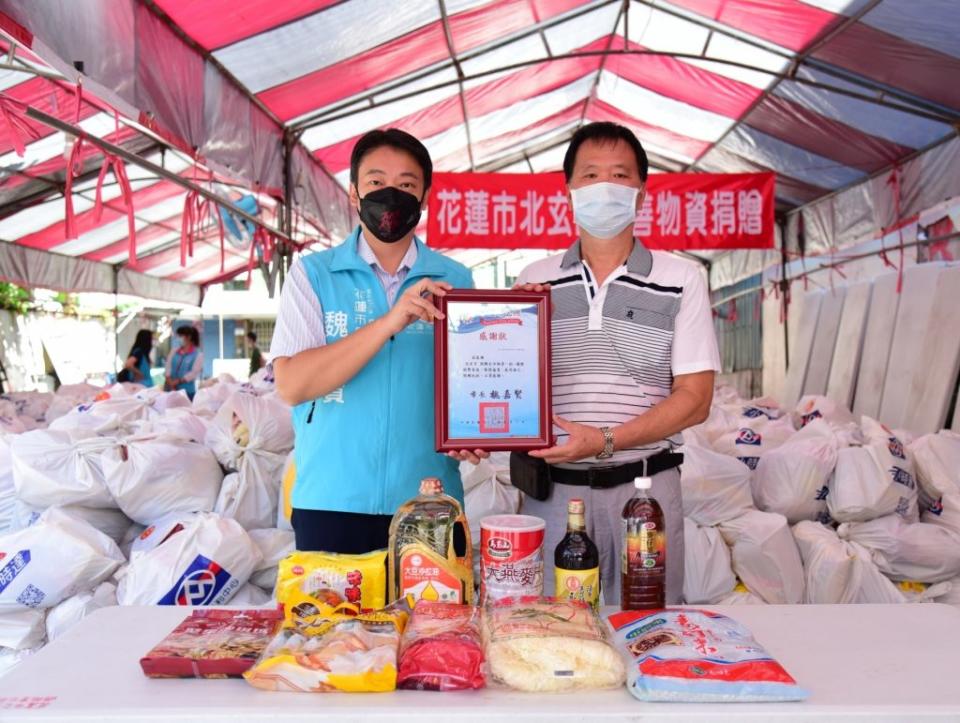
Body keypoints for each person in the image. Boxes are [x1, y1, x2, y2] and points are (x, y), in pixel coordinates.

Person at [509, 122, 719, 606]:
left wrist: (604, 440)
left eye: (620, 175)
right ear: (569, 192)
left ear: (641, 194)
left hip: (646, 492)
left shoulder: (681, 277)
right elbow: (505, 386)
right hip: (553, 493)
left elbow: (695, 400)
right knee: (553, 633)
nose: (604, 187)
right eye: (590, 175)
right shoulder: (532, 283)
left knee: (651, 630)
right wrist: (511, 321)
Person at [271, 128, 475, 555]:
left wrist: (480, 432)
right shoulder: (313, 275)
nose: (391, 195)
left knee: (435, 624)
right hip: (331, 500)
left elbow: (472, 386)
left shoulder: (456, 282)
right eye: (377, 182)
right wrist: (389, 322)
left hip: (429, 500)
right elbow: (291, 384)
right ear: (353, 193)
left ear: (423, 198)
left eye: (406, 185)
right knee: (332, 623)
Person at [164, 325, 203, 400]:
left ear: (188, 337)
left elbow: (193, 373)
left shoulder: (198, 355)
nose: (179, 338)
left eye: (181, 336)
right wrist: (170, 383)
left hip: (187, 392)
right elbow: (167, 367)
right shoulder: (174, 351)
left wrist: (177, 381)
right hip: (170, 389)